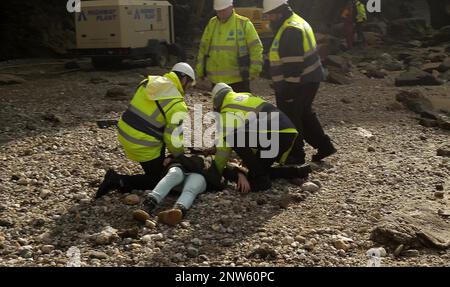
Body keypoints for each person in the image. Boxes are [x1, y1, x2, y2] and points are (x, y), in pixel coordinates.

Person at [95, 63, 196, 198]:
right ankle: (117, 180)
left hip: (125, 132)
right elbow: (172, 136)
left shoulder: (148, 82)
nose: (188, 89)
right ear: (183, 79)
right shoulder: (177, 104)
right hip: (142, 143)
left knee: (161, 146)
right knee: (158, 180)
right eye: (189, 85)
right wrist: (179, 156)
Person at [262, 0, 337, 165]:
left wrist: (288, 91)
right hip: (309, 79)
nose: (269, 19)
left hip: (299, 82)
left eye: (270, 15)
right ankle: (324, 146)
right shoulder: (293, 22)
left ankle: (296, 155)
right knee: (304, 114)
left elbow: (292, 65)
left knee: (290, 117)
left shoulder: (290, 30)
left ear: (279, 12)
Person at [210, 83, 311, 192]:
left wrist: (214, 173)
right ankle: (296, 171)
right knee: (259, 169)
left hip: (272, 135)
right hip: (287, 134)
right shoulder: (246, 98)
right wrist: (249, 160)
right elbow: (253, 130)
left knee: (233, 138)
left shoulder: (227, 111)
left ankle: (261, 181)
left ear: (216, 102)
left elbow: (224, 151)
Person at [195, 0, 263, 93]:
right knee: (220, 107)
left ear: (231, 7)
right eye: (218, 11)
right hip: (216, 81)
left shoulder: (243, 23)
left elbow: (256, 47)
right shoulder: (212, 23)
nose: (221, 13)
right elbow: (203, 48)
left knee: (239, 107)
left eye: (223, 10)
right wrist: (200, 70)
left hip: (238, 80)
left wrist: (254, 70)